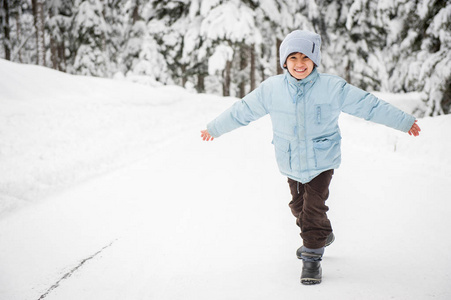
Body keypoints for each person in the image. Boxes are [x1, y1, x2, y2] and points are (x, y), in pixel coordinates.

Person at [200, 29, 421, 285]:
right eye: (293, 58)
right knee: (298, 207)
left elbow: (368, 105)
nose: (299, 64)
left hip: (321, 160)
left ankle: (312, 257)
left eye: (305, 57)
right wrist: (214, 128)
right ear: (284, 62)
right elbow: (242, 110)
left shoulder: (332, 87)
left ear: (314, 60)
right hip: (290, 160)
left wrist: (403, 121)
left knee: (313, 209)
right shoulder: (271, 89)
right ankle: (320, 234)